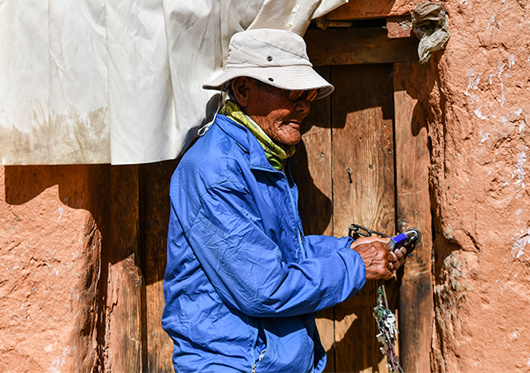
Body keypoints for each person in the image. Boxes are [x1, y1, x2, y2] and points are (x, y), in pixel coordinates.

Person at [162, 28, 406, 373]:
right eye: (292, 92)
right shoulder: (215, 169)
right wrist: (355, 264)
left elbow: (278, 252)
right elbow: (265, 288)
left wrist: (351, 248)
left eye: (308, 94)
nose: (304, 105)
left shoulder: (265, 155)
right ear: (243, 90)